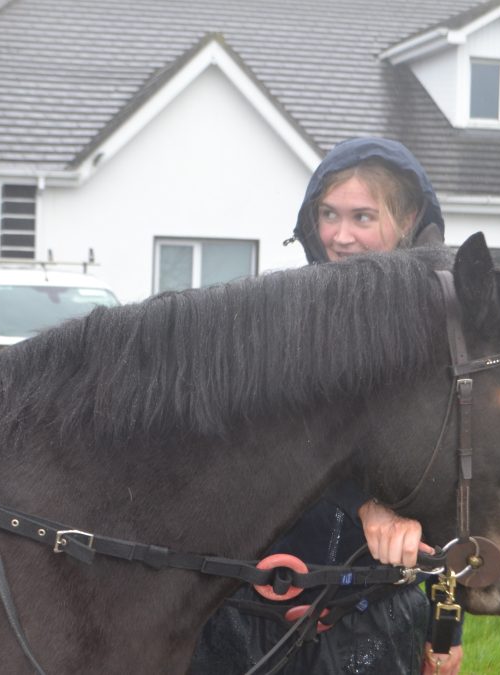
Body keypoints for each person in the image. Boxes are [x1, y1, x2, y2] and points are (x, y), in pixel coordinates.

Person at [190, 137, 462, 675]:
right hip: (255, 612)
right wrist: (366, 506)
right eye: (329, 215)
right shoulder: (282, 322)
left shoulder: (435, 340)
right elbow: (268, 445)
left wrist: (445, 624)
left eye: (363, 216)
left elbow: (445, 480)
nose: (341, 236)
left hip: (378, 621)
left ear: (406, 218)